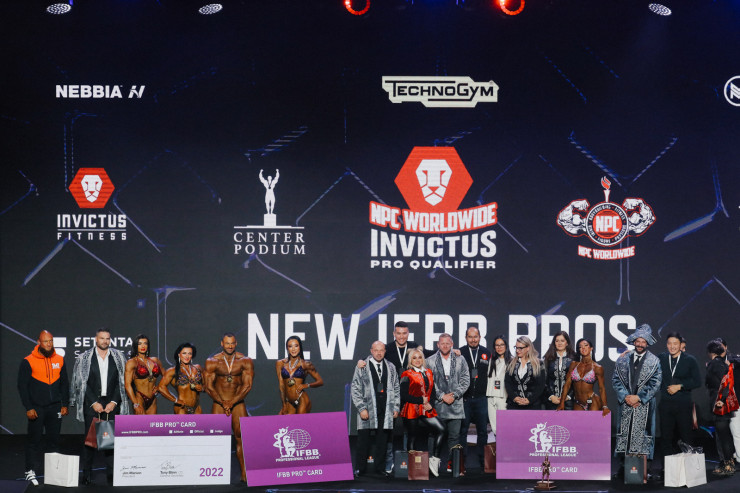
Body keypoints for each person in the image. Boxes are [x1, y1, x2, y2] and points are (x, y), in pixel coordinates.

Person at [71, 327, 129, 485]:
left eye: (107, 338)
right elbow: (82, 383)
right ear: (96, 339)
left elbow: (121, 382)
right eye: (102, 338)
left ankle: (112, 474)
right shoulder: (84, 358)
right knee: (90, 442)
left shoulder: (118, 357)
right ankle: (86, 475)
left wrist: (114, 402)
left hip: (111, 404)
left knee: (110, 441)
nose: (105, 341)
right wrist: (93, 402)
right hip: (92, 404)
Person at [17, 330, 69, 487]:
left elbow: (64, 383)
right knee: (34, 441)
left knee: (54, 441)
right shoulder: (28, 361)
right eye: (46, 341)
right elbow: (22, 387)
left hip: (55, 407)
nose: (49, 344)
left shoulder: (59, 359)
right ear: (38, 342)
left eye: (51, 341)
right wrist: (28, 407)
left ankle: (53, 473)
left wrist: (65, 404)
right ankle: (29, 471)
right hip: (37, 408)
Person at [612, 324, 662, 478]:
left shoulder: (654, 361)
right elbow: (616, 380)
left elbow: (656, 383)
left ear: (647, 343)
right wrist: (626, 397)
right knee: (625, 435)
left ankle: (644, 469)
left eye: (643, 342)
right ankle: (623, 468)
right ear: (634, 342)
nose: (640, 344)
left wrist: (639, 397)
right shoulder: (623, 359)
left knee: (643, 436)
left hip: (644, 404)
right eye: (638, 341)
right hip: (626, 403)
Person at [204, 333, 254, 482]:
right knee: (215, 438)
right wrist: (223, 402)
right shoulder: (212, 361)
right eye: (227, 343)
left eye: (232, 343)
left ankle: (244, 473)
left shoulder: (245, 361)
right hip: (219, 403)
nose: (230, 346)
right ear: (222, 344)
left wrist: (232, 402)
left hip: (237, 402)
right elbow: (208, 387)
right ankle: (214, 473)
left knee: (241, 437)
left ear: (236, 343)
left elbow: (247, 385)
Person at [351, 341, 400, 476]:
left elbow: (396, 388)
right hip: (367, 408)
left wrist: (396, 407)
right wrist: (361, 408)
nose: (379, 353)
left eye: (381, 350)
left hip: (386, 408)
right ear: (371, 351)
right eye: (376, 350)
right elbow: (355, 388)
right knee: (363, 440)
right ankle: (360, 469)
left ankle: (380, 468)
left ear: (385, 351)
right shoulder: (362, 365)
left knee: (383, 440)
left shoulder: (391, 367)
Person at [657, 332, 701, 471]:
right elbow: (645, 359)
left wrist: (680, 386)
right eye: (669, 343)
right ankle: (667, 470)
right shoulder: (661, 358)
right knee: (666, 438)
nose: (672, 346)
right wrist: (627, 354)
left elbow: (697, 382)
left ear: (681, 345)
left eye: (675, 343)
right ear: (666, 344)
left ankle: (689, 470)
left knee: (686, 436)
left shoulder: (690, 360)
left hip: (683, 404)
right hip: (665, 404)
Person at [427, 333, 470, 474]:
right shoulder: (430, 361)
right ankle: (432, 465)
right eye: (442, 343)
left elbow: (466, 380)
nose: (445, 346)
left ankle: (453, 466)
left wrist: (455, 395)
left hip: (456, 405)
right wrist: (442, 396)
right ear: (438, 345)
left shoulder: (460, 359)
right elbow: (429, 382)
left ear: (452, 344)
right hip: (438, 405)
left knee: (454, 437)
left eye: (447, 343)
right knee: (434, 436)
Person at [400, 347, 445, 477]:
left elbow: (433, 392)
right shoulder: (406, 374)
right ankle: (412, 468)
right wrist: (420, 400)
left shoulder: (429, 372)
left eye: (420, 357)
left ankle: (434, 460)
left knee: (441, 429)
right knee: (412, 436)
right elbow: (403, 395)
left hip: (426, 409)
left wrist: (430, 404)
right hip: (411, 409)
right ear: (410, 360)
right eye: (414, 358)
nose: (417, 360)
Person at [705, 338, 738, 476]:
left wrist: (721, 400)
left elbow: (726, 383)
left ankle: (728, 465)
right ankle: (727, 464)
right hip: (721, 403)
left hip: (720, 404)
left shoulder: (715, 364)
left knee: (724, 437)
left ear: (710, 352)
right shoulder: (721, 364)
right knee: (724, 436)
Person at [459, 326, 491, 468]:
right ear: (466, 338)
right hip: (464, 399)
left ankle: (483, 461)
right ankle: (461, 462)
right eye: (470, 337)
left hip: (481, 399)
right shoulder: (460, 352)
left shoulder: (486, 353)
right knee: (462, 431)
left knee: (483, 431)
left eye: (475, 336)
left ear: (480, 337)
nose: (473, 339)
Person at [557, 338, 610, 415]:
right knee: (577, 422)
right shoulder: (574, 365)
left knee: (592, 422)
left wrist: (605, 406)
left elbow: (601, 388)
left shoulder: (597, 367)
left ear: (591, 348)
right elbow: (567, 385)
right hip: (578, 402)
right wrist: (562, 402)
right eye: (580, 347)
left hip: (592, 401)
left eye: (586, 345)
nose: (583, 348)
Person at [275, 335, 323, 414]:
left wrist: (307, 385)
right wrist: (284, 404)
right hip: (288, 401)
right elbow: (281, 385)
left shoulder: (306, 364)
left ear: (300, 347)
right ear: (287, 348)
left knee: (300, 422)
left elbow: (320, 381)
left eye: (296, 346)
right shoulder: (280, 363)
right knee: (282, 420)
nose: (293, 349)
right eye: (290, 346)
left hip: (301, 399)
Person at [158, 343, 203, 414]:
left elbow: (207, 385)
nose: (187, 356)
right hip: (182, 408)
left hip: (197, 408)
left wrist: (202, 388)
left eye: (189, 353)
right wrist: (175, 400)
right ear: (179, 355)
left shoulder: (198, 368)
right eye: (184, 353)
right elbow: (161, 387)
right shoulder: (172, 371)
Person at [124, 334, 163, 415]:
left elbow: (166, 377)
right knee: (142, 423)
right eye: (140, 344)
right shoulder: (132, 362)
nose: (143, 346)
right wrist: (135, 404)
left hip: (152, 399)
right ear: (136, 346)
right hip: (139, 398)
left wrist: (159, 387)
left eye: (145, 343)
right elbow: (127, 385)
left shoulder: (155, 360)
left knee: (152, 423)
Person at [504, 336, 545, 410]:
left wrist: (530, 399)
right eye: (516, 347)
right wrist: (514, 397)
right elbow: (508, 383)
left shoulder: (538, 364)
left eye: (520, 348)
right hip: (514, 405)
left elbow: (540, 385)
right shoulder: (511, 363)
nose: (517, 350)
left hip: (533, 405)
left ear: (528, 348)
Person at [543, 331, 576, 410]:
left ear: (567, 343)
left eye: (562, 341)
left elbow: (576, 381)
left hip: (568, 402)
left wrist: (568, 396)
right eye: (557, 341)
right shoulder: (548, 358)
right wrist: (551, 396)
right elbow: (544, 380)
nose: (559, 343)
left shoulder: (574, 358)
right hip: (551, 401)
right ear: (554, 343)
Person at [486, 334, 511, 439]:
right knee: (494, 427)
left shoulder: (511, 361)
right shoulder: (492, 361)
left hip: (503, 397)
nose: (499, 347)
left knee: (504, 427)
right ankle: (499, 448)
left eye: (502, 345)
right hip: (490, 397)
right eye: (497, 345)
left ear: (506, 346)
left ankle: (505, 448)